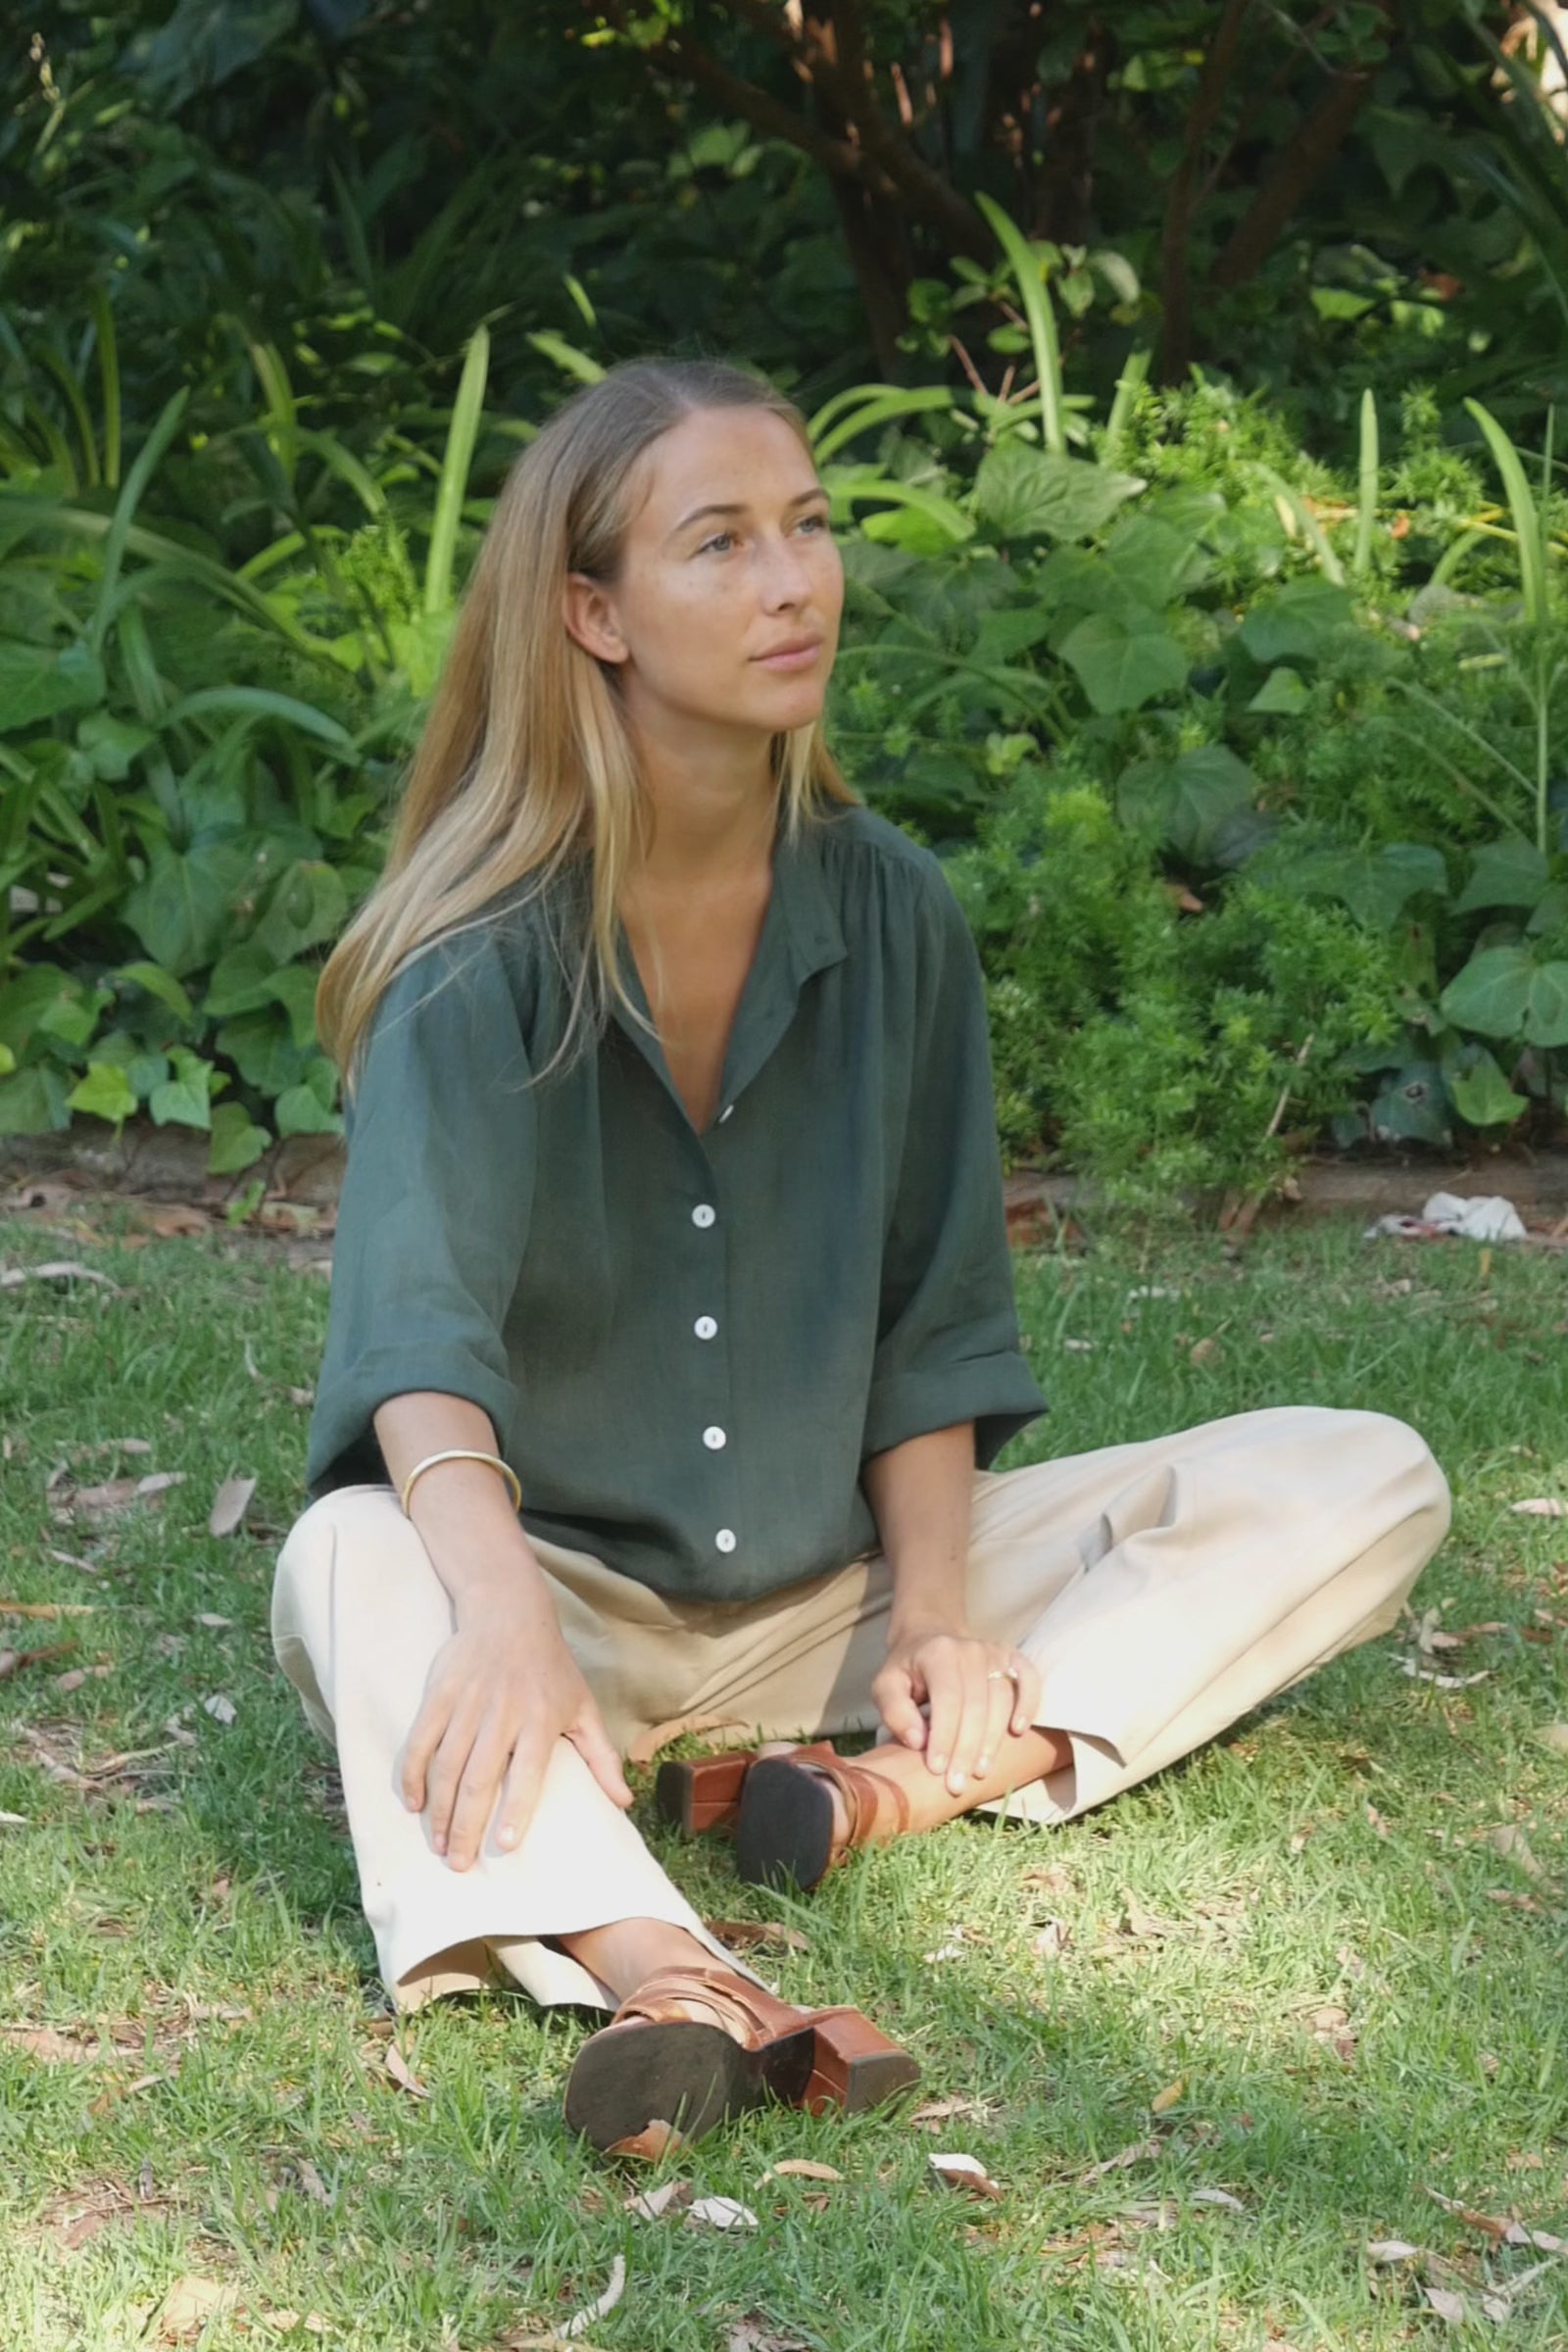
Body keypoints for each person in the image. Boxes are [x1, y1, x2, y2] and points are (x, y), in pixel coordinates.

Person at [270, 357, 1451, 2155]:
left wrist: (942, 1614)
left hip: (838, 1603)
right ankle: (668, 1975)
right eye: (723, 541)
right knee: (350, 1559)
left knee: (1364, 1470)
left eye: (810, 528)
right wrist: (505, 1612)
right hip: (569, 1601)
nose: (795, 580)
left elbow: (934, 1325)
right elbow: (414, 1345)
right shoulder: (474, 956)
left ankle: (887, 1787)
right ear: (592, 612)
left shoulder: (896, 910)